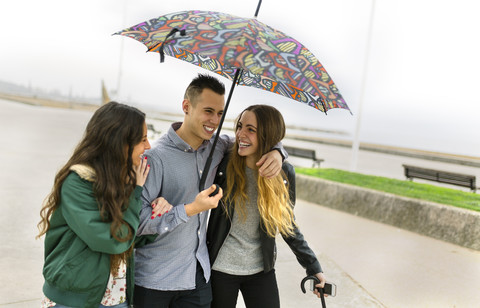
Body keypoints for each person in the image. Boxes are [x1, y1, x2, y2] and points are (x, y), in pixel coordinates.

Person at [133, 74, 285, 308]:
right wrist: (189, 209)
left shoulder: (217, 147)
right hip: (155, 280)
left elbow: (257, 140)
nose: (214, 120)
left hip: (197, 280)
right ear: (186, 106)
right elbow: (138, 223)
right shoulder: (155, 157)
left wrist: (277, 151)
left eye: (220, 113)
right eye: (208, 111)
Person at [37, 101, 162, 308]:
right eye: (142, 139)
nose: (148, 146)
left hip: (117, 298)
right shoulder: (77, 182)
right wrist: (136, 193)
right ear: (119, 142)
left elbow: (130, 238)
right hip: (73, 300)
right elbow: (112, 241)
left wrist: (156, 213)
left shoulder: (122, 180)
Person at [206, 104, 327, 308]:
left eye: (251, 130)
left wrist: (313, 266)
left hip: (261, 271)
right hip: (220, 269)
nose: (240, 134)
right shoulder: (224, 163)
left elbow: (287, 224)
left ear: (268, 136)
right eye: (240, 126)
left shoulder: (284, 173)